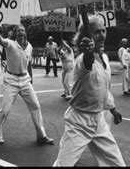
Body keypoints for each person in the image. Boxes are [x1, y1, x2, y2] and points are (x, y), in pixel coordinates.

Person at [53, 14, 125, 167]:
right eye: (97, 32)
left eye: (104, 31)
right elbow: (88, 61)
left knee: (117, 164)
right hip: (79, 122)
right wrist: (87, 53)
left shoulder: (104, 58)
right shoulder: (82, 60)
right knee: (63, 164)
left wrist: (113, 110)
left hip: (99, 120)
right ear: (85, 37)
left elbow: (103, 89)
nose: (102, 36)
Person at [0, 23, 54, 145]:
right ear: (15, 33)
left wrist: (31, 80)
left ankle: (41, 136)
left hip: (25, 80)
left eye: (23, 30)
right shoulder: (10, 43)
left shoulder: (29, 46)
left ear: (25, 33)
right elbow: (1, 40)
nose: (21, 32)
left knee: (36, 106)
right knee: (5, 111)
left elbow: (28, 64)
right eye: (18, 30)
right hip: (11, 81)